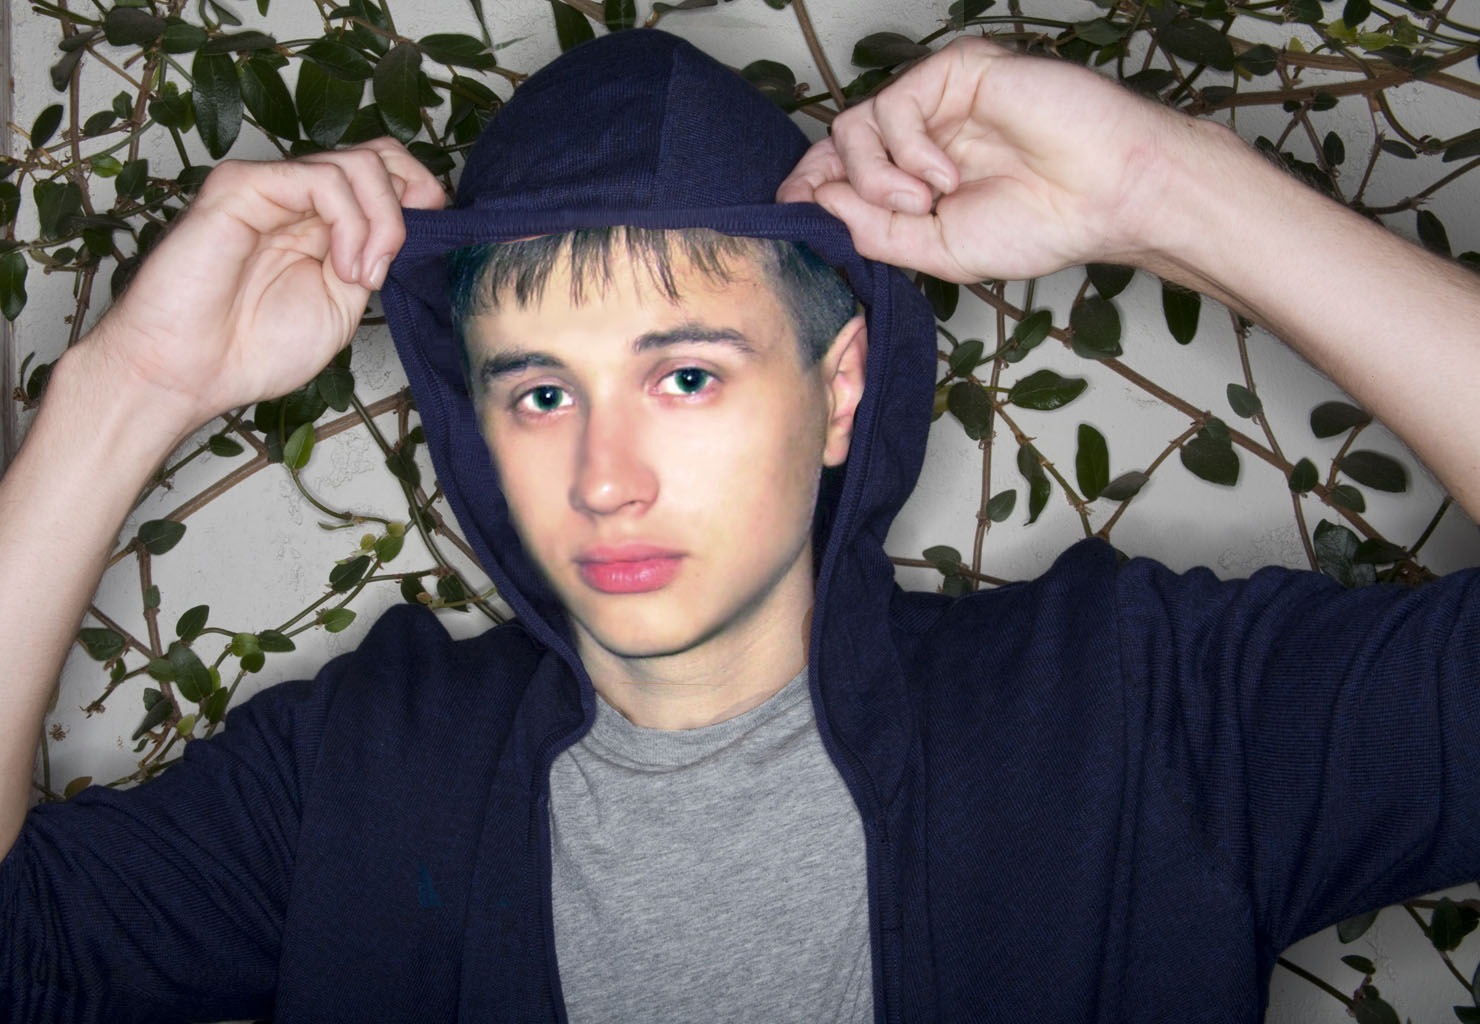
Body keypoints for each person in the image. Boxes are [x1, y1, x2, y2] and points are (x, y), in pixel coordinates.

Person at [1, 26, 1478, 1023]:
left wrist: (1171, 191)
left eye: (687, 376)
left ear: (840, 391)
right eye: (539, 393)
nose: (605, 478)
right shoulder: (352, 779)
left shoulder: (1137, 708)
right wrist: (128, 390)